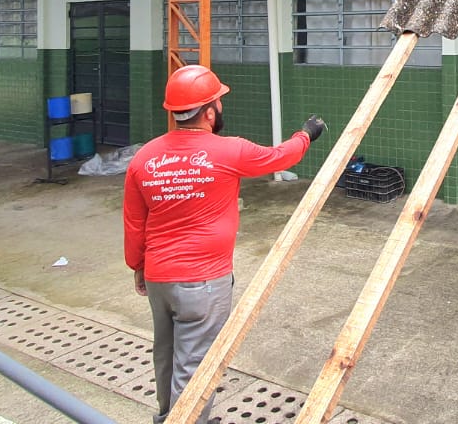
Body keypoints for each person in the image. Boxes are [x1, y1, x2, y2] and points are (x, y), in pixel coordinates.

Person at [123, 64, 327, 424]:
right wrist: (307, 134)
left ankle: (168, 417)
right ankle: (188, 420)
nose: (221, 108)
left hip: (158, 277)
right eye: (219, 101)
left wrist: (137, 266)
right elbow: (282, 156)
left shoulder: (144, 158)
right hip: (204, 281)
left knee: (167, 355)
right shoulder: (229, 151)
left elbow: (135, 222)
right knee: (196, 364)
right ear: (209, 110)